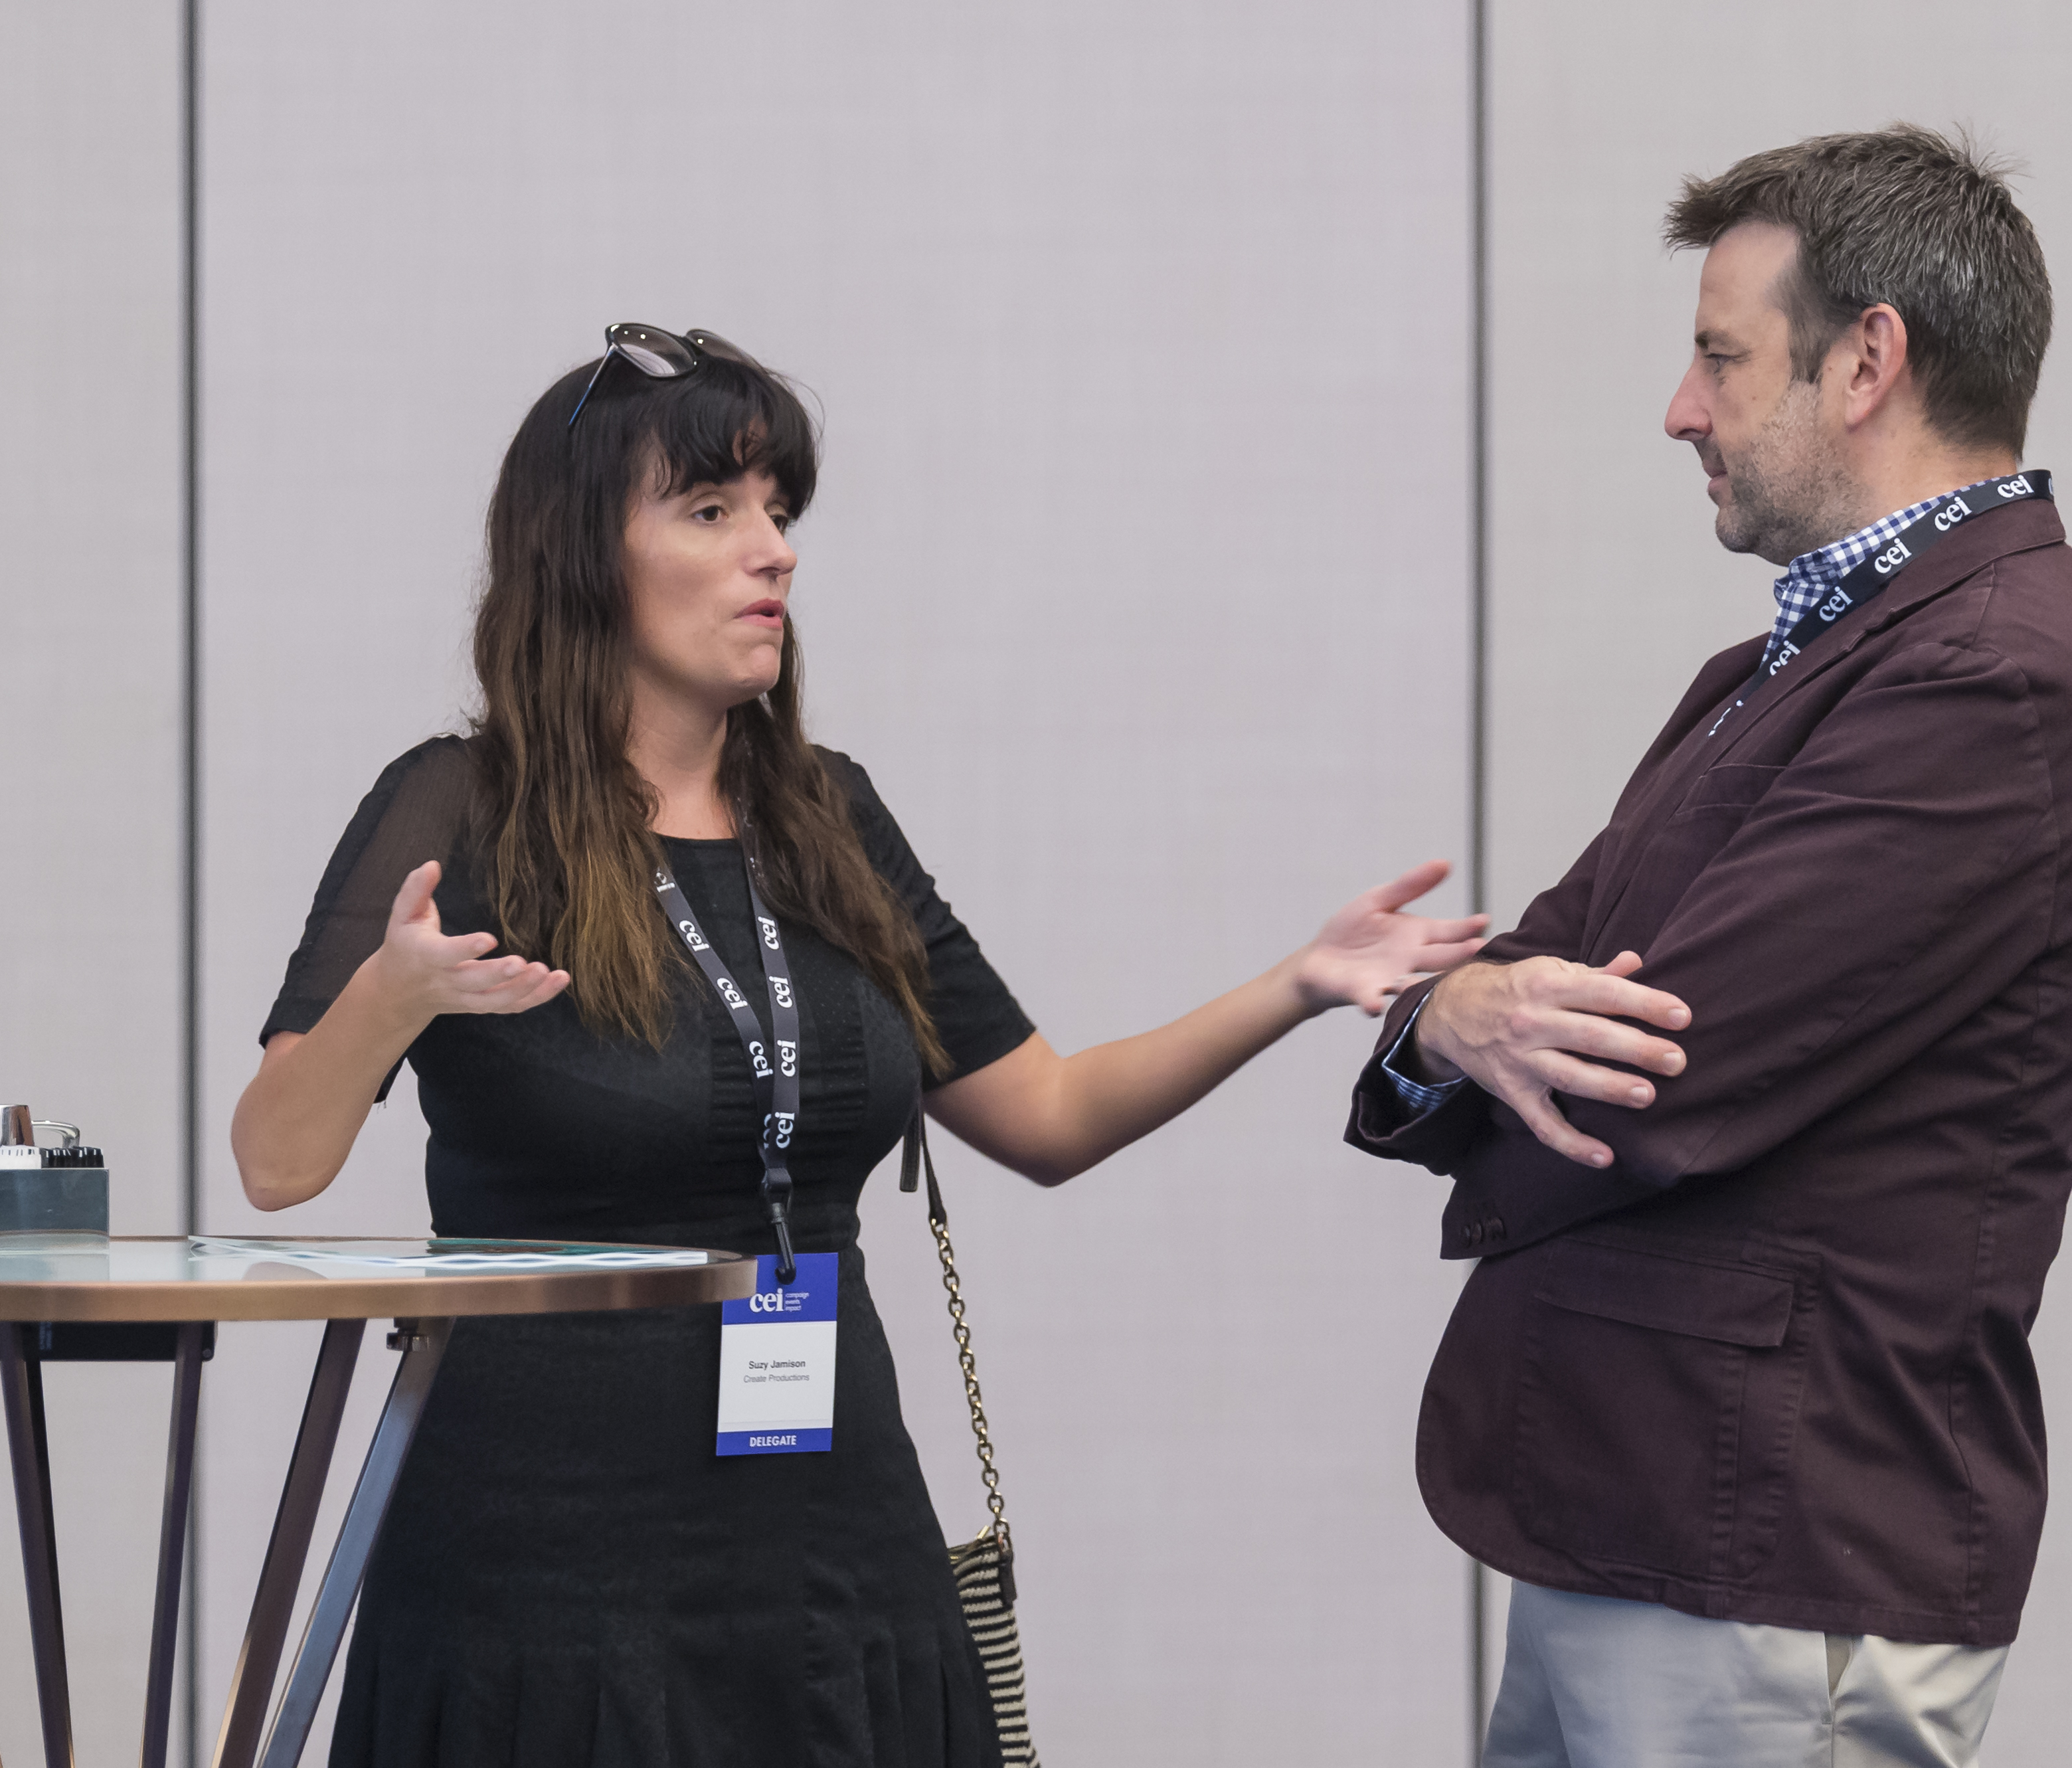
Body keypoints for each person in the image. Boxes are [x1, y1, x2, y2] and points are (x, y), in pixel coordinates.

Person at [230, 323, 1488, 1767]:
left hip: (833, 1547)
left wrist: (1297, 984)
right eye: (712, 510)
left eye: (779, 510)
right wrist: (389, 996)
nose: (772, 550)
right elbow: (276, 1160)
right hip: (539, 1568)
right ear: (581, 554)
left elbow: (1048, 1113)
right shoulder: (459, 804)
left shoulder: (827, 815)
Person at [1346, 127, 2072, 1767]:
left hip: (1773, 1548)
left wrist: (1474, 1017)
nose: (1679, 408)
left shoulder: (1992, 682)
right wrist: (1456, 1012)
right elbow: (1536, 968)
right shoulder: (1780, 670)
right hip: (1649, 1521)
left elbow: (1654, 1068)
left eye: (1718, 356)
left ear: (1865, 360)